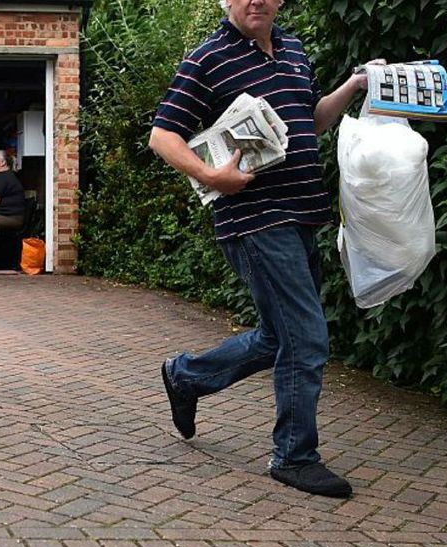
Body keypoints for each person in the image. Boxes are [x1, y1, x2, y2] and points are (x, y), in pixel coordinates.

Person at [148, 0, 379, 499]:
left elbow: (310, 120)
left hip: (303, 215)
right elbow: (163, 135)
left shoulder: (293, 49)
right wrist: (210, 175)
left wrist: (354, 85)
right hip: (256, 220)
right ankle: (294, 456)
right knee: (307, 338)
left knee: (280, 337)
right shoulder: (207, 58)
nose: (256, 0)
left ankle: (186, 377)